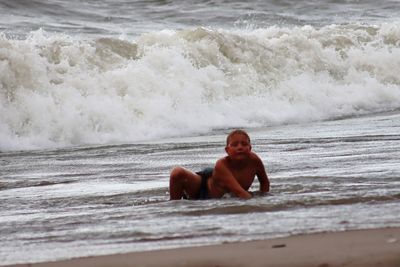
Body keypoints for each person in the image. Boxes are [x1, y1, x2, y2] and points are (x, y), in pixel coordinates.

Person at [169, 129, 270, 200]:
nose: (240, 147)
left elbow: (265, 182)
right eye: (234, 145)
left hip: (225, 196)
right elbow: (239, 192)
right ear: (227, 150)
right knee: (177, 172)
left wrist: (264, 198)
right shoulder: (222, 164)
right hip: (203, 191)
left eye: (244, 144)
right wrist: (258, 205)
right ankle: (173, 207)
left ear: (250, 148)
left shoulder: (254, 160)